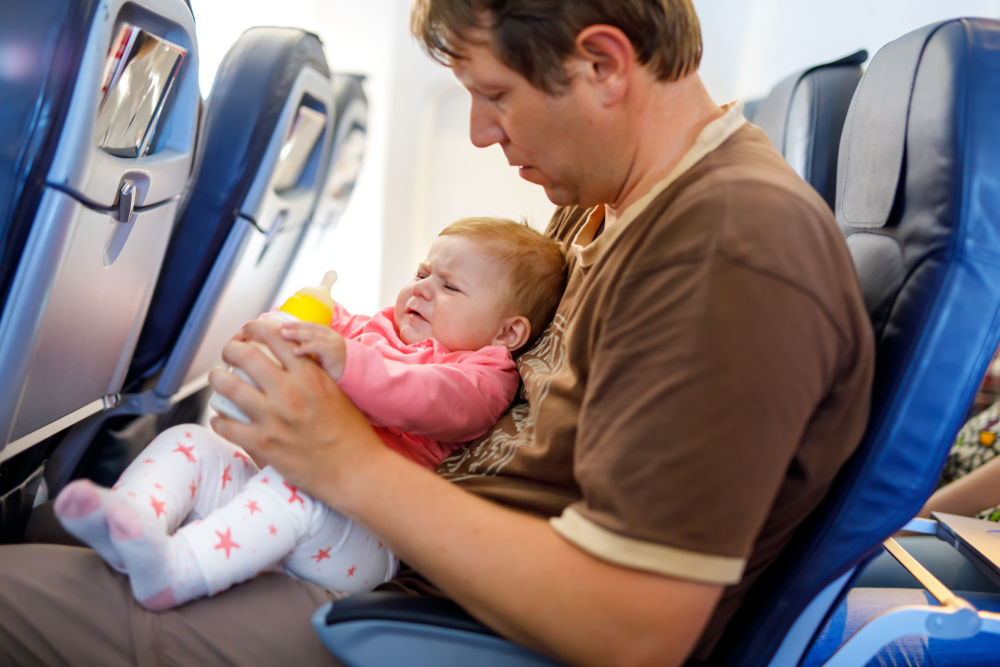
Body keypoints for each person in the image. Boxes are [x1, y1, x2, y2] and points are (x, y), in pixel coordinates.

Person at [0, 1, 874, 666]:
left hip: (434, 625)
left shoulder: (726, 247)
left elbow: (635, 625)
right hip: (406, 565)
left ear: (604, 63)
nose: (479, 132)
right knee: (58, 526)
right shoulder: (599, 213)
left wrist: (342, 458)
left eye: (494, 95)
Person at [51, 217, 567, 611]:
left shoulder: (482, 375)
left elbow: (424, 398)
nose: (424, 288)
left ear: (508, 332)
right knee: (192, 442)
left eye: (450, 287)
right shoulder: (376, 329)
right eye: (422, 272)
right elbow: (320, 328)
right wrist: (285, 325)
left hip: (365, 536)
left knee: (294, 493)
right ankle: (134, 523)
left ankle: (177, 570)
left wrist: (345, 361)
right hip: (287, 491)